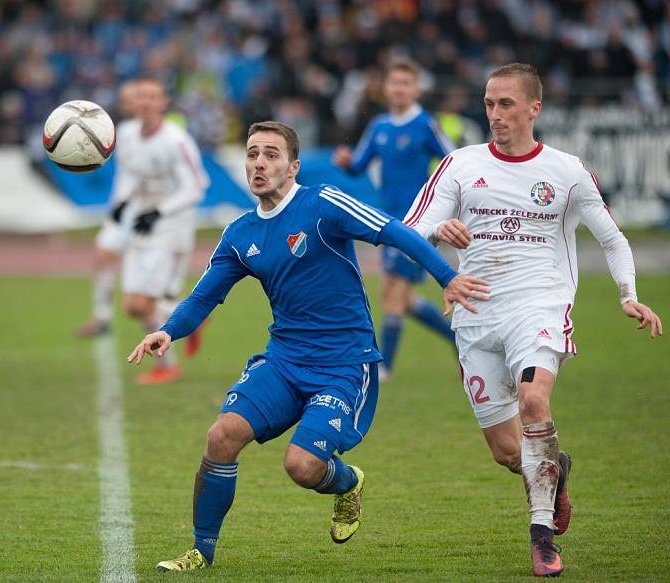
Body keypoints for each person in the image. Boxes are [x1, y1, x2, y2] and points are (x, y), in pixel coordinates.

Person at [127, 121, 490, 572]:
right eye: (253, 154)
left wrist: (448, 277)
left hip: (343, 364)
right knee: (221, 436)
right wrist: (168, 330)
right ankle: (201, 550)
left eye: (271, 155)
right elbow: (204, 295)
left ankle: (347, 483)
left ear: (293, 165)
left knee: (301, 466)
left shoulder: (322, 204)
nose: (259, 163)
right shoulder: (240, 234)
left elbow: (394, 231)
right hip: (283, 361)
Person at [403, 63, 663, 577]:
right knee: (507, 452)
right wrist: (439, 232)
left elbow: (612, 238)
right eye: (488, 104)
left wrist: (627, 295)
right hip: (476, 312)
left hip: (539, 303)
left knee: (534, 399)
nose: (495, 114)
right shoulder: (459, 164)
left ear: (533, 109)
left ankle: (541, 537)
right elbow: (411, 228)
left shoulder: (566, 171)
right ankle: (554, 470)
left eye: (506, 104)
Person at [76, 78, 209, 385]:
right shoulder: (125, 134)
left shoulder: (176, 141)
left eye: (154, 97)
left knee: (144, 304)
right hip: (141, 222)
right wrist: (121, 203)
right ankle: (191, 318)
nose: (146, 103)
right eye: (142, 98)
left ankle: (168, 365)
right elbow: (128, 174)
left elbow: (197, 186)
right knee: (134, 306)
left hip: (171, 228)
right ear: (134, 103)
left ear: (164, 103)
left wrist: (159, 211)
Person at [333, 59, 456, 381]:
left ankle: (384, 366)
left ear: (416, 89)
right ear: (385, 88)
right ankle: (458, 339)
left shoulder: (425, 125)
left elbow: (455, 160)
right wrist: (346, 162)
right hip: (387, 221)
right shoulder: (379, 126)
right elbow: (359, 165)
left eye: (406, 83)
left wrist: (443, 201)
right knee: (402, 298)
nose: (399, 89)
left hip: (417, 221)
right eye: (394, 83)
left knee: (393, 291)